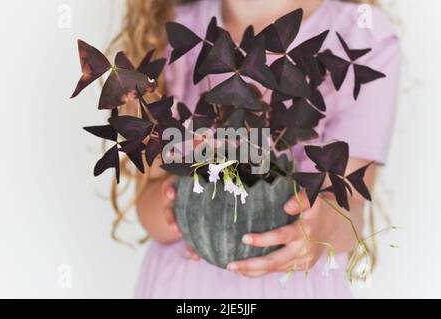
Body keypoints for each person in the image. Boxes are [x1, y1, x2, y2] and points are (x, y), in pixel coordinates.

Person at [110, 0, 400, 298]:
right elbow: (148, 202)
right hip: (184, 289)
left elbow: (351, 209)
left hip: (296, 286)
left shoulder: (362, 35)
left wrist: (322, 228)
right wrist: (178, 207)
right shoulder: (168, 33)